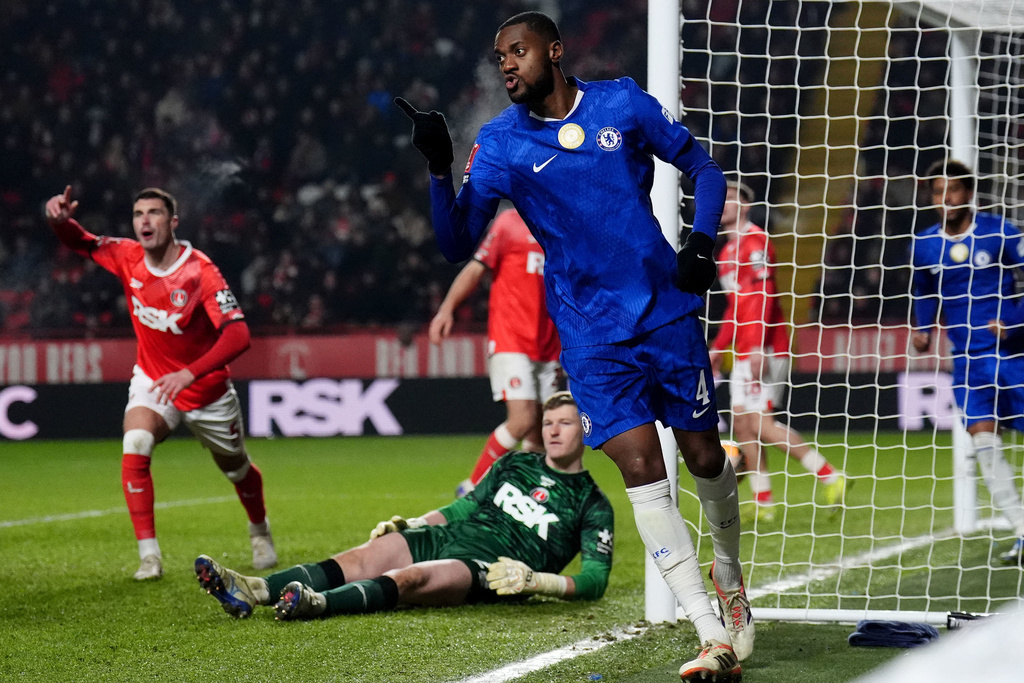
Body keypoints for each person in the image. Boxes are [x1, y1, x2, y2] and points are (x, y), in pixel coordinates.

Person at [396, 11, 752, 679]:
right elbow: (453, 244)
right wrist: (440, 170)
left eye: (519, 51)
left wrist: (701, 242)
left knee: (704, 455)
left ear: (554, 52)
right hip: (590, 335)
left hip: (665, 313)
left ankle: (729, 576)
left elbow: (701, 168)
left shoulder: (621, 102)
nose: (507, 64)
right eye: (500, 56)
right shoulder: (499, 145)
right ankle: (711, 634)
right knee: (643, 467)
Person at [194, 391, 614, 620]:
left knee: (410, 578)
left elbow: (595, 580)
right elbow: (462, 509)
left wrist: (537, 581)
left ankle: (316, 603)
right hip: (449, 536)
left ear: (586, 429)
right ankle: (253, 589)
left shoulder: (592, 504)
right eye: (547, 423)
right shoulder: (515, 462)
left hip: (488, 568)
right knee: (367, 554)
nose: (554, 431)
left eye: (565, 423)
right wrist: (415, 522)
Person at [44, 185, 276, 580]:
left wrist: (189, 372)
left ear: (172, 222)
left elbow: (238, 335)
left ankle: (259, 529)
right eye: (138, 214)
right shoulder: (126, 255)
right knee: (136, 441)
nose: (144, 221)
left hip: (205, 390)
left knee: (236, 469)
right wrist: (60, 221)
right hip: (153, 379)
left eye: (153, 213)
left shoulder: (200, 271)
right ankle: (149, 556)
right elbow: (81, 242)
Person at [710, 181, 848, 523]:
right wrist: (717, 348)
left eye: (729, 197)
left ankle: (831, 475)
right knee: (742, 426)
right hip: (744, 350)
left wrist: (757, 346)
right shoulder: (726, 254)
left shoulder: (755, 241)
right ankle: (764, 502)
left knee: (760, 423)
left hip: (766, 348)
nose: (722, 203)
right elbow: (734, 307)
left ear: (744, 205)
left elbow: (763, 297)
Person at [912, 159, 1024, 566]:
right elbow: (924, 291)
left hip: (1012, 356)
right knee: (984, 445)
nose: (947, 199)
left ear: (970, 193)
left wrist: (1013, 322)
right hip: (967, 361)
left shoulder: (1000, 232)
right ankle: (1022, 531)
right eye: (939, 192)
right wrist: (923, 327)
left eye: (954, 190)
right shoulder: (924, 244)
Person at [429, 207, 561, 496]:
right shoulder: (510, 222)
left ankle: (528, 498)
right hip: (511, 338)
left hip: (550, 345)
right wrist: (447, 309)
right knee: (522, 419)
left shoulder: (561, 222)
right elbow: (476, 266)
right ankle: (472, 487)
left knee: (540, 430)